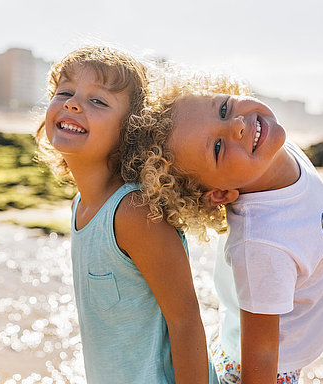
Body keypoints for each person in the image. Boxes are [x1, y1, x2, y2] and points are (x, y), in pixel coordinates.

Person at [124, 72, 323, 384]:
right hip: (262, 370)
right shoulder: (263, 245)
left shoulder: (270, 145)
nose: (238, 126)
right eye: (217, 147)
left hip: (261, 343)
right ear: (220, 194)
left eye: (224, 109)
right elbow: (262, 354)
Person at [35, 46, 216, 383]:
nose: (73, 103)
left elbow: (186, 322)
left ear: (131, 130)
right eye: (65, 92)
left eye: (98, 101)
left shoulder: (133, 213)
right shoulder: (81, 204)